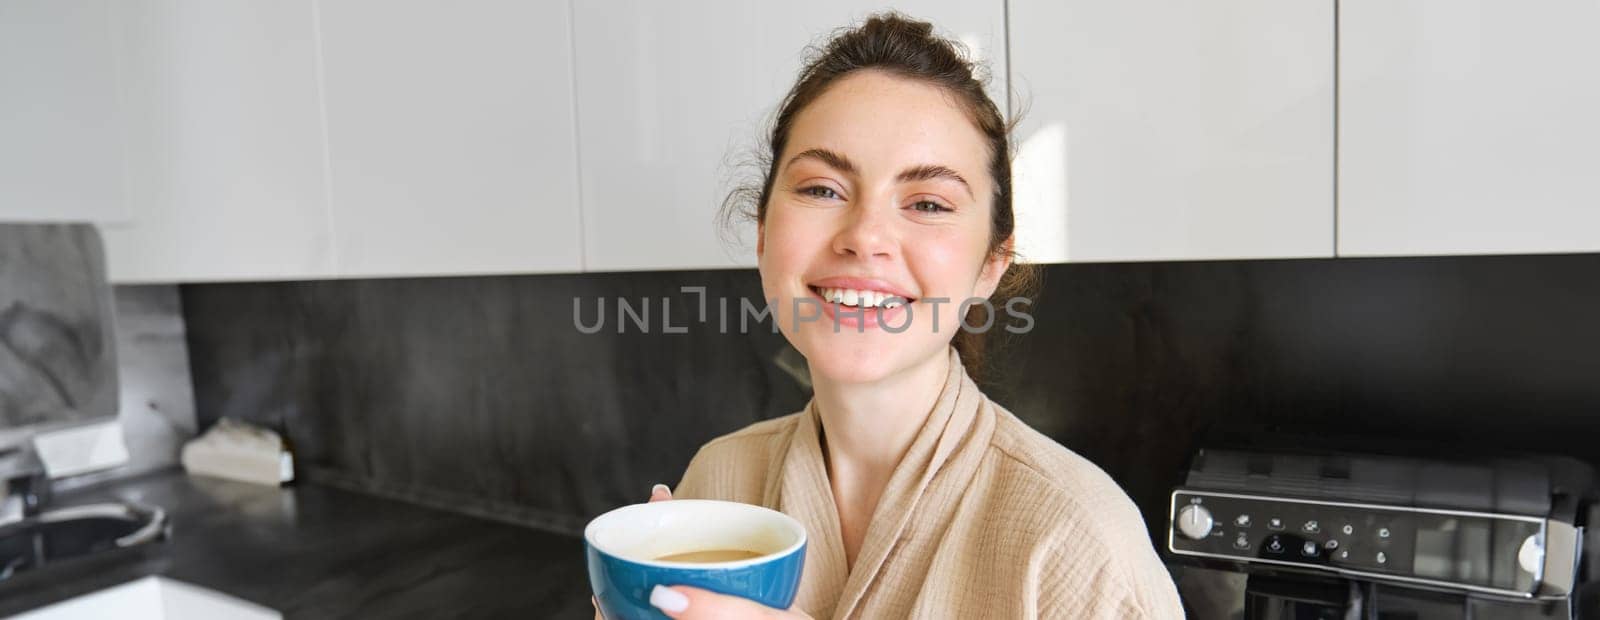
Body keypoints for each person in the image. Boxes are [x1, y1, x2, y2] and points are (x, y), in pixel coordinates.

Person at [601, 12, 1184, 619]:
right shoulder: (720, 480)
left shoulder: (1077, 537)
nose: (865, 237)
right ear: (763, 235)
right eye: (823, 189)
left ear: (991, 262)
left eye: (928, 202)